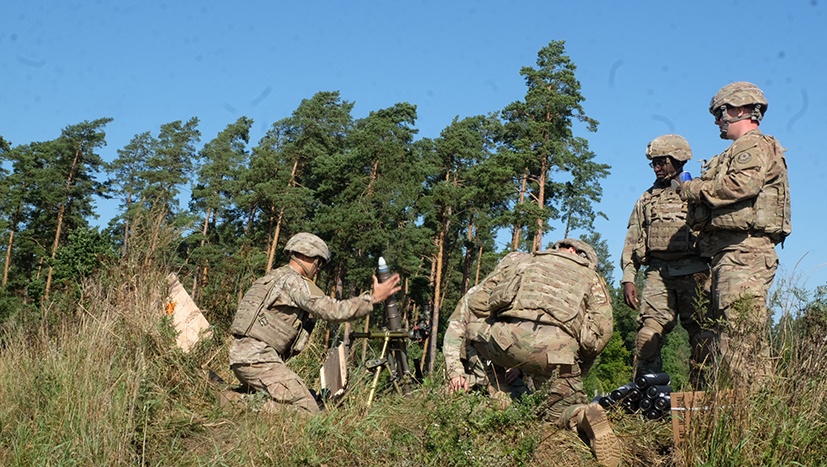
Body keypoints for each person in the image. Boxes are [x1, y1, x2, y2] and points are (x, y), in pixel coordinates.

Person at [459, 239, 621, 467]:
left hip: (506, 342)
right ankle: (582, 415)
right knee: (557, 412)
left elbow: (477, 302)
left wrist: (502, 317)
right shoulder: (591, 277)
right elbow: (602, 334)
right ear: (576, 252)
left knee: (472, 332)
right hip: (557, 354)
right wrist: (577, 364)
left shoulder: (525, 261)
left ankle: (499, 393)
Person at [680, 81, 791, 386]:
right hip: (729, 253)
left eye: (721, 113)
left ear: (741, 109)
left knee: (740, 340)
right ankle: (749, 407)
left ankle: (757, 409)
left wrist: (694, 189)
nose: (717, 120)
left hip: (744, 252)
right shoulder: (737, 150)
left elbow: (743, 185)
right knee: (731, 338)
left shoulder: (752, 145)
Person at [228, 232, 401, 414]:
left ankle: (240, 397)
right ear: (305, 255)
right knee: (308, 410)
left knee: (309, 397)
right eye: (318, 262)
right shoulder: (294, 282)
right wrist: (373, 299)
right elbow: (333, 310)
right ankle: (233, 402)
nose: (319, 268)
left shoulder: (274, 277)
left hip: (247, 357)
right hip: (259, 359)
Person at [621, 134, 712, 388]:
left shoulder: (699, 191)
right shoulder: (647, 198)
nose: (657, 167)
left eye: (662, 161)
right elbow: (632, 239)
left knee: (704, 339)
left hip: (696, 273)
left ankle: (704, 394)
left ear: (678, 160)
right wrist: (629, 277)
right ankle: (647, 393)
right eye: (654, 163)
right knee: (646, 337)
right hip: (658, 273)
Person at [443, 254, 530, 404]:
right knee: (451, 401)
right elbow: (453, 336)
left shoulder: (523, 303)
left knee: (520, 403)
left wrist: (519, 369)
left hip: (503, 374)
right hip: (471, 371)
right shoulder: (474, 296)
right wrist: (456, 373)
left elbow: (529, 343)